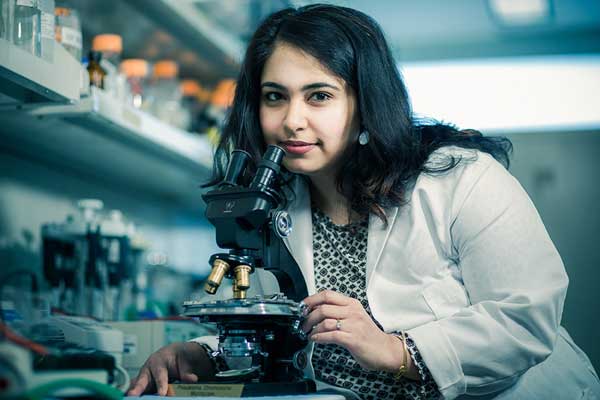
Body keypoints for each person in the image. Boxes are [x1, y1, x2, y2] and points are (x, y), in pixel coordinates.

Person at [128, 4, 600, 399]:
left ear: (365, 102)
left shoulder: (459, 178)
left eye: (319, 96)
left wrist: (396, 350)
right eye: (276, 97)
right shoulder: (275, 200)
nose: (292, 120)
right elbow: (289, 331)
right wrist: (205, 354)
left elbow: (525, 319)